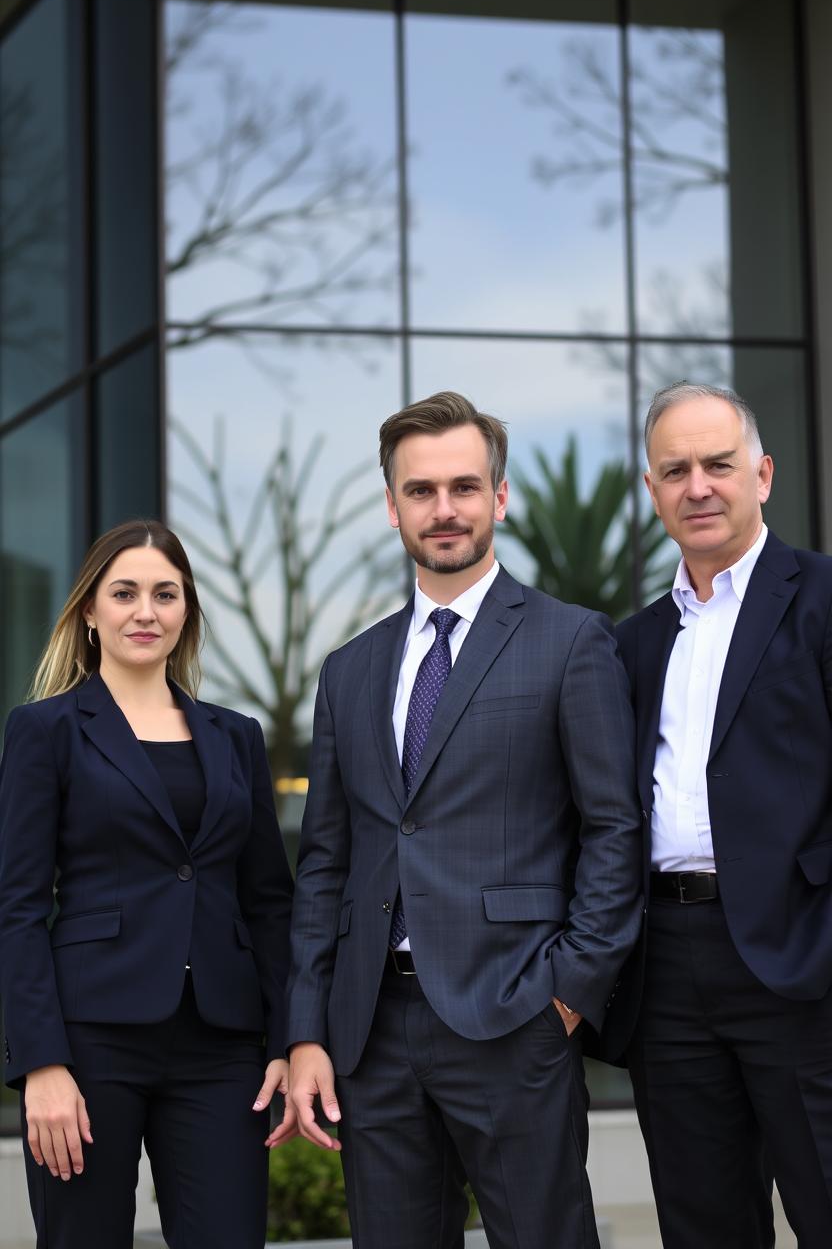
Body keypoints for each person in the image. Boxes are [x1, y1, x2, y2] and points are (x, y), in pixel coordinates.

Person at [283, 391, 643, 1249]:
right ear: (392, 505)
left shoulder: (570, 641)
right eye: (421, 491)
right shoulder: (350, 670)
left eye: (464, 487)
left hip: (516, 1014)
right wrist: (307, 1028)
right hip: (374, 1027)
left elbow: (613, 829)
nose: (444, 509)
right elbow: (326, 859)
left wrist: (568, 992)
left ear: (500, 497)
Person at [0, 519, 295, 1249]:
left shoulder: (237, 737)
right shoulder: (46, 732)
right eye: (124, 592)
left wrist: (289, 1038)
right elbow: (18, 908)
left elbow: (267, 902)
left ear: (186, 612)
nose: (146, 611)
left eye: (166, 594)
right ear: (90, 611)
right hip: (90, 1044)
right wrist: (41, 1061)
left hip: (223, 1047)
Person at [611, 381, 832, 1248]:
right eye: (676, 470)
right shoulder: (632, 641)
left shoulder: (820, 599)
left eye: (718, 464)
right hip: (668, 969)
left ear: (763, 475)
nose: (698, 485)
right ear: (652, 490)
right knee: (703, 1225)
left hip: (801, 960)